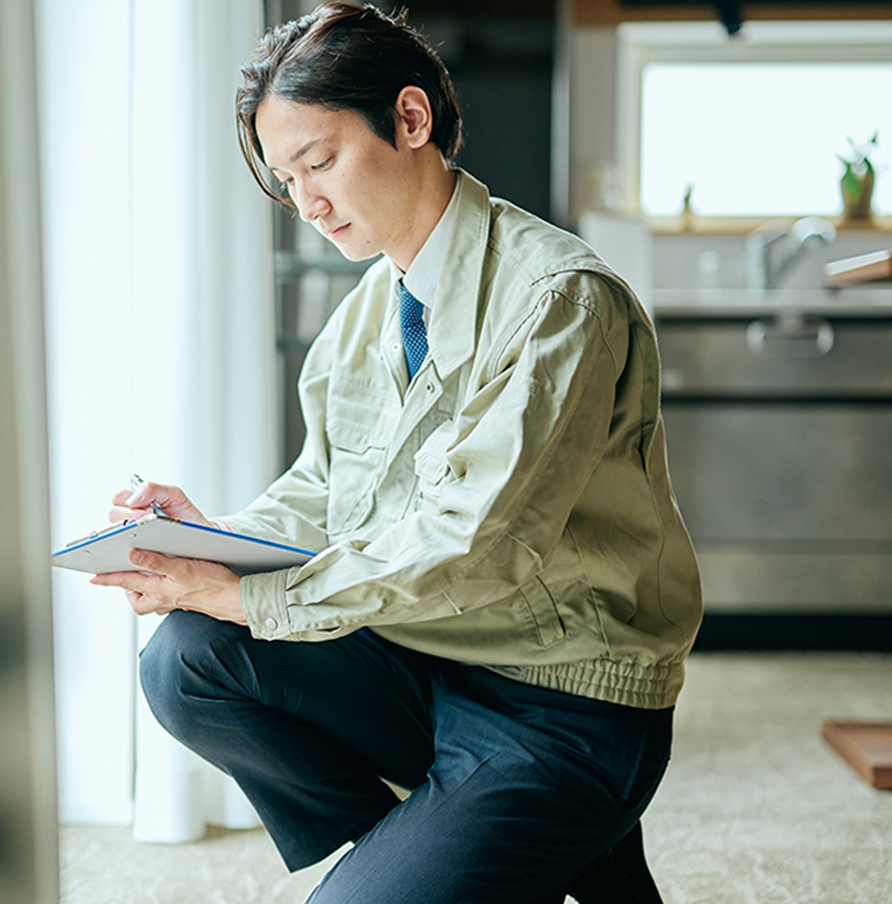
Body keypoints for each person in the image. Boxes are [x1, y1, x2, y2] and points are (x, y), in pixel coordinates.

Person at [91, 3, 702, 902]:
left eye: (320, 162)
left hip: (563, 703)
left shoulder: (557, 300)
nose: (308, 204)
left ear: (410, 120)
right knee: (188, 658)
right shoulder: (367, 313)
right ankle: (481, 845)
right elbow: (326, 493)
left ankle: (500, 835)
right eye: (286, 182)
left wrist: (256, 592)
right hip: (428, 665)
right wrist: (209, 540)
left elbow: (479, 546)